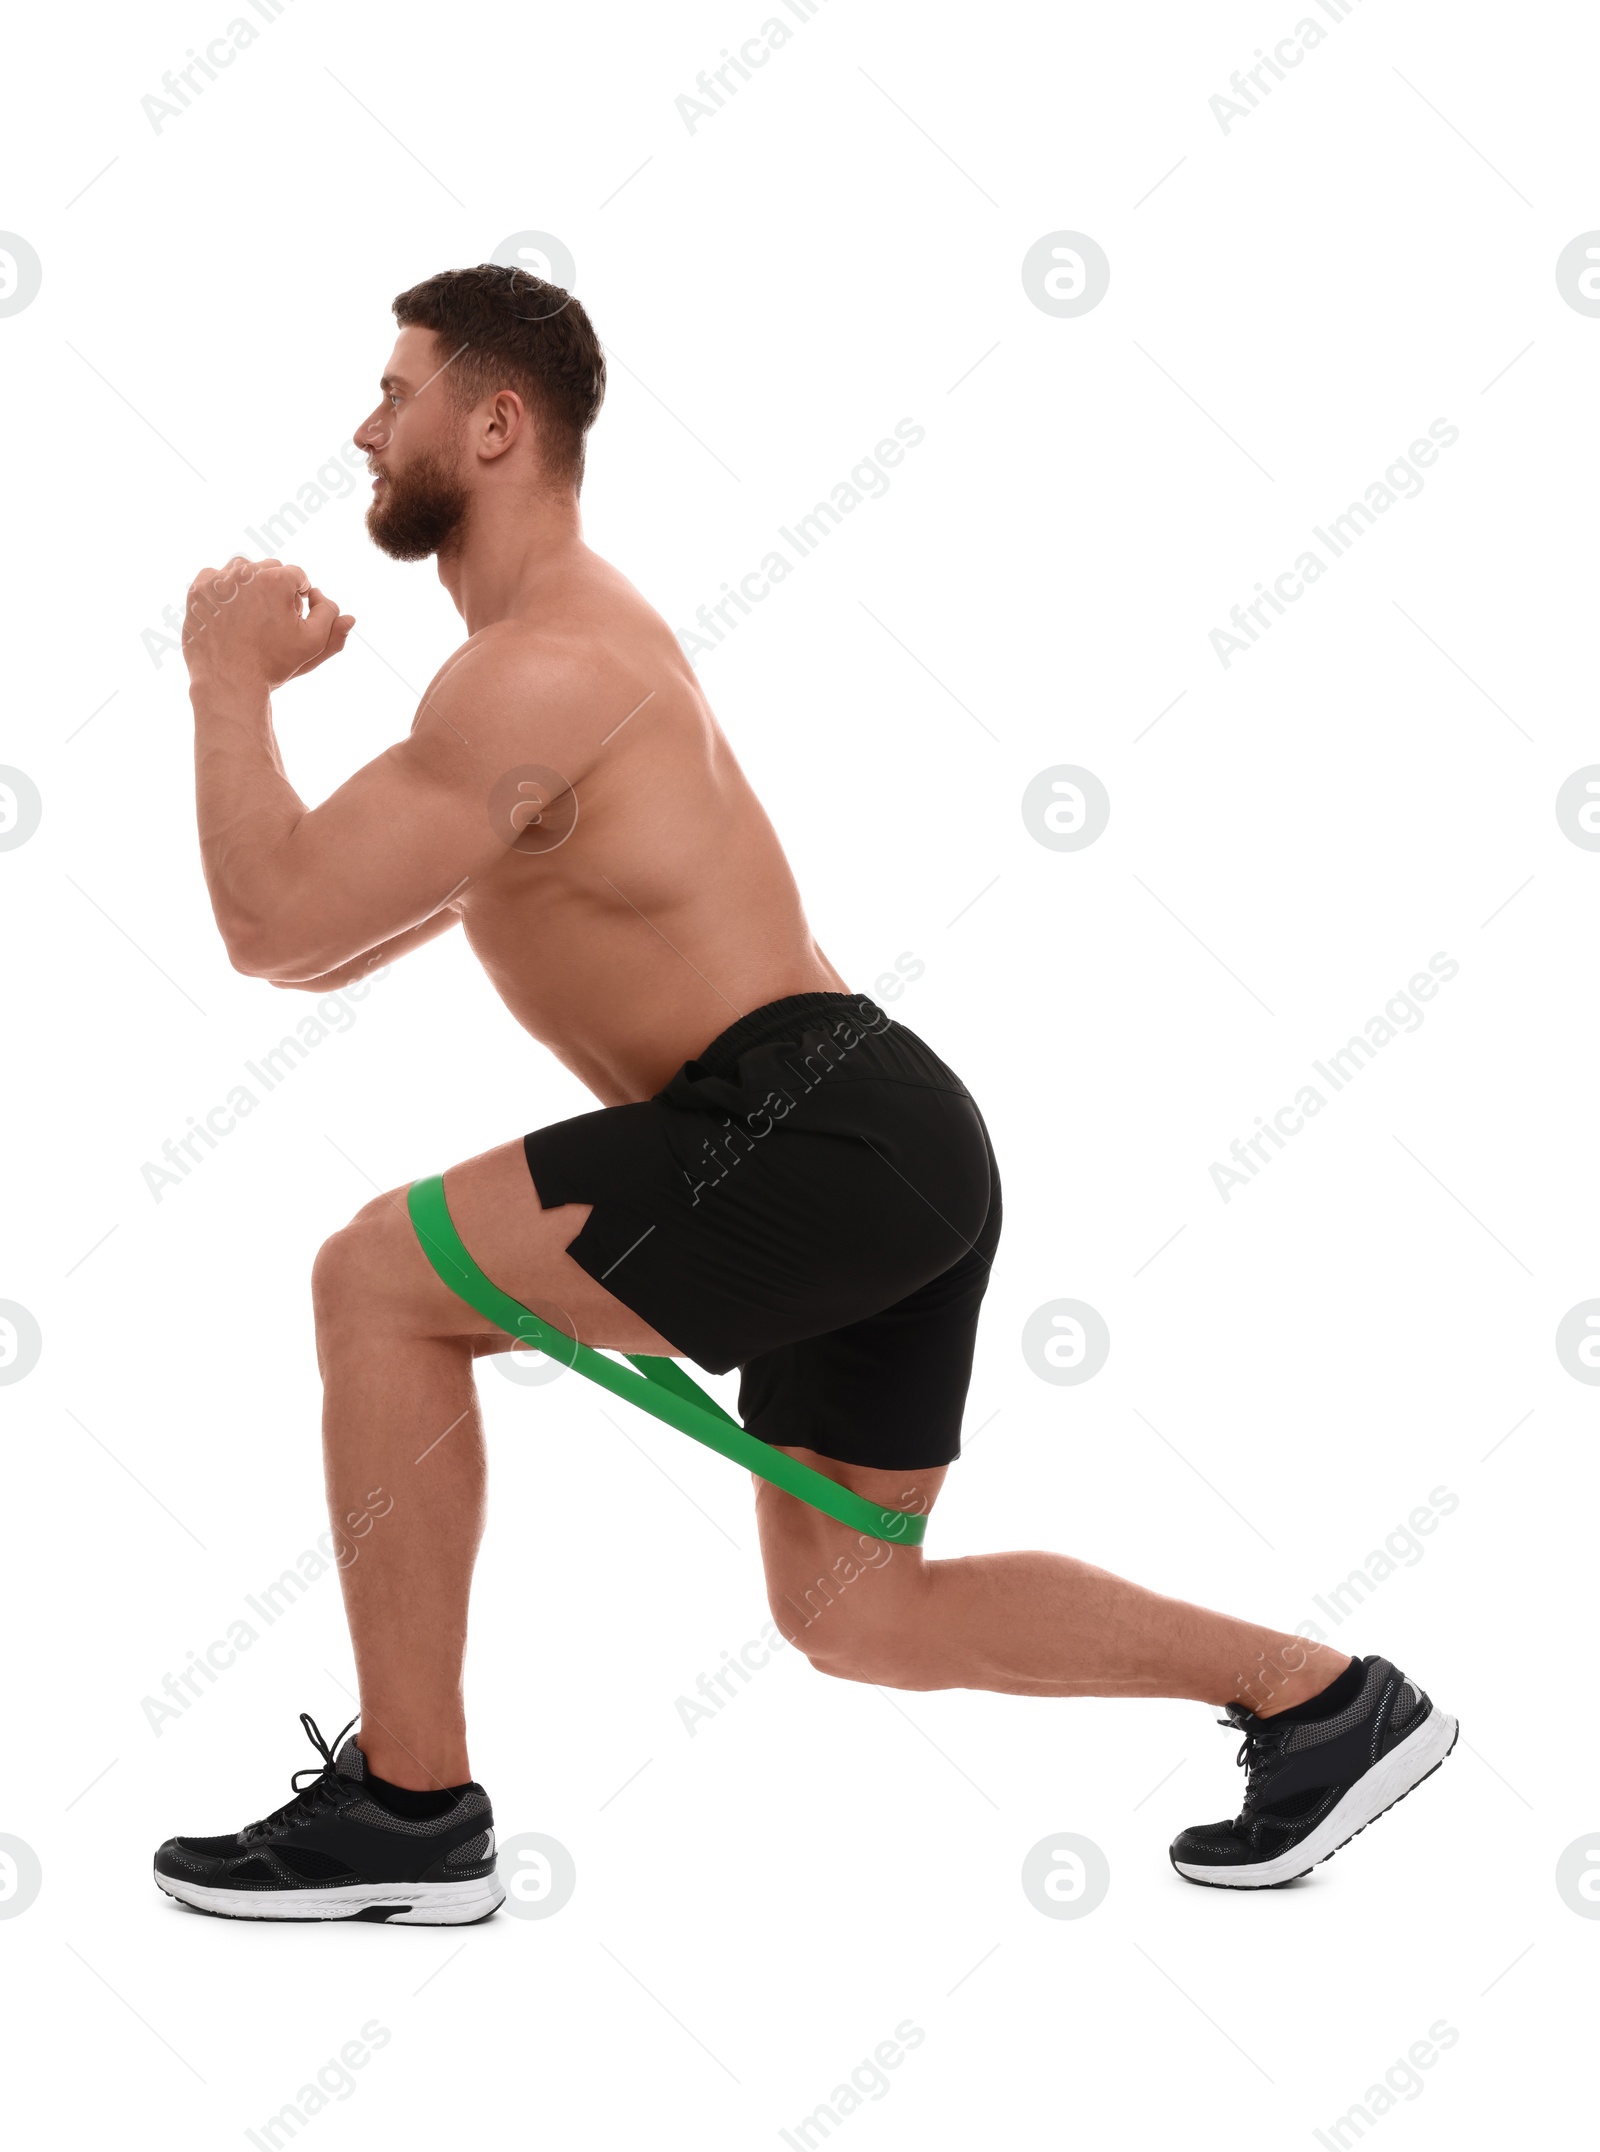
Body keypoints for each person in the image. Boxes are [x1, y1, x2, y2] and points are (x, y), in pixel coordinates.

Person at [153, 265, 1455, 1923]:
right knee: (856, 1614)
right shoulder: (546, 661)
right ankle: (1325, 1699)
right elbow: (328, 951)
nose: (363, 423)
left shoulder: (535, 678)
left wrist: (222, 682)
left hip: (811, 1125)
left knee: (375, 1282)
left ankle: (411, 1810)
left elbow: (270, 928)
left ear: (497, 420)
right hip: (875, 1130)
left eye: (394, 391)